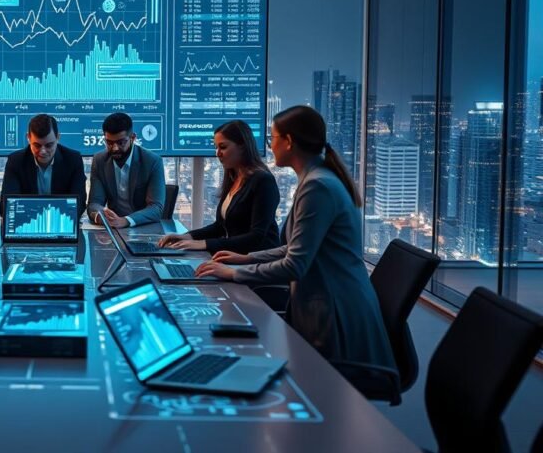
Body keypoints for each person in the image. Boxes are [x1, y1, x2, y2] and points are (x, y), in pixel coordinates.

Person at [196, 106, 395, 370]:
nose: (270, 145)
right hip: (323, 309)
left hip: (335, 317)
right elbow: (294, 248)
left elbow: (295, 265)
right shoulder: (316, 179)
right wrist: (247, 257)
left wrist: (234, 273)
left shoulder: (317, 186)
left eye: (273, 138)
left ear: (288, 142)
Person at [158, 120, 279, 253]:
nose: (217, 153)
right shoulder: (234, 178)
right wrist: (186, 236)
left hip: (258, 261)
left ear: (242, 146)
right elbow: (220, 227)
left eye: (223, 147)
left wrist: (204, 244)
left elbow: (256, 237)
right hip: (235, 256)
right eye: (216, 147)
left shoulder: (263, 180)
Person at [87, 112, 165, 228]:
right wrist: (101, 217)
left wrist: (125, 220)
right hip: (113, 228)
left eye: (121, 142)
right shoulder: (99, 161)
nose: (115, 148)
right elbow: (94, 203)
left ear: (132, 138)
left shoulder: (152, 161)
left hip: (142, 227)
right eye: (109, 143)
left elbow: (156, 208)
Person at [1, 114, 87, 216]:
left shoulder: (73, 160)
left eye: (49, 145)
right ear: (28, 138)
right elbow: (6, 207)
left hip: (60, 224)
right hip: (29, 224)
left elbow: (79, 205)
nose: (43, 151)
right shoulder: (16, 161)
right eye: (37, 145)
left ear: (58, 137)